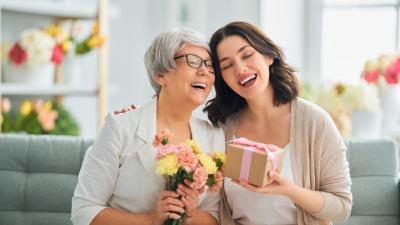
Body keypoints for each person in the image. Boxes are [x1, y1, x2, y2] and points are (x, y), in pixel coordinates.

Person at [204, 21, 352, 225]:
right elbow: (213, 206)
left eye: (247, 55)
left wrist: (289, 190)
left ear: (268, 56)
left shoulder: (314, 122)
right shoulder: (221, 129)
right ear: (223, 78)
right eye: (227, 65)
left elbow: (342, 207)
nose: (240, 68)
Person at [71, 28, 225, 225]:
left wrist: (189, 212)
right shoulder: (120, 127)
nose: (204, 71)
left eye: (210, 65)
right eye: (193, 61)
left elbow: (215, 215)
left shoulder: (214, 136)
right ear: (160, 75)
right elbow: (84, 211)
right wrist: (149, 220)